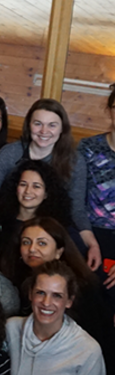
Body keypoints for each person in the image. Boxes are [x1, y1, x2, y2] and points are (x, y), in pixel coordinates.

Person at [0, 98, 101, 269]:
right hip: (10, 227)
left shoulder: (74, 161)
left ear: (62, 129)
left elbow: (77, 209)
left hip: (49, 233)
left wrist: (92, 244)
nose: (44, 131)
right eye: (38, 123)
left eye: (52, 125)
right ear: (28, 125)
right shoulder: (10, 153)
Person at [0, 160, 72, 265]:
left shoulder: (54, 226)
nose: (28, 191)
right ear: (15, 188)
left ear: (46, 193)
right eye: (23, 184)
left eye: (36, 186)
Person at [77, 85, 115, 298]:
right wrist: (90, 241)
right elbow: (75, 200)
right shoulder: (88, 147)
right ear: (109, 109)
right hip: (89, 233)